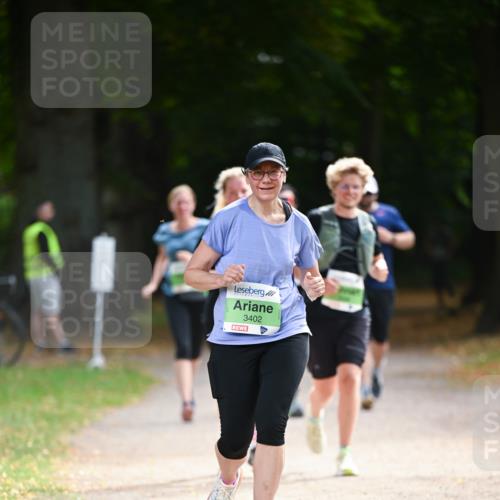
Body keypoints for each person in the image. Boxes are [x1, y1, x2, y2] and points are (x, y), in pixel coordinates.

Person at [185, 142, 325, 500]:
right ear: (247, 177)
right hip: (234, 336)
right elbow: (192, 274)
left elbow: (311, 277)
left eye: (273, 171)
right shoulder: (227, 219)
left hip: (288, 329)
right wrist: (221, 278)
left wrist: (313, 284)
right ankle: (229, 479)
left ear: (284, 175)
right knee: (234, 437)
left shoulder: (300, 224)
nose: (266, 179)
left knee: (272, 426)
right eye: (258, 172)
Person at [305, 158, 388, 476]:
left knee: (352, 376)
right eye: (345, 185)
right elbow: (298, 261)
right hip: (322, 310)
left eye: (356, 186)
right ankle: (314, 414)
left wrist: (380, 269)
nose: (351, 191)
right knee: (325, 386)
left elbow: (378, 260)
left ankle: (345, 452)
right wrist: (318, 281)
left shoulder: (368, 223)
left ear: (363, 189)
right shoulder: (317, 218)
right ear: (334, 187)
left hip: (356, 309)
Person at [142, 185, 209, 422]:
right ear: (172, 205)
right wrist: (152, 284)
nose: (182, 206)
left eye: (186, 202)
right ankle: (187, 399)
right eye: (178, 202)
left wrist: (190, 259)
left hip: (200, 294)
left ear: (193, 204)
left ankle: (188, 389)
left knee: (195, 349)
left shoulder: (204, 227)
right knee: (182, 345)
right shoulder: (165, 231)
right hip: (175, 294)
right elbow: (161, 258)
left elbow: (212, 259)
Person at [359, 177, 415, 409]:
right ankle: (364, 388)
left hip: (383, 285)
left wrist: (390, 237)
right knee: (361, 335)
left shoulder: (388, 213)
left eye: (370, 193)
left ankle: (377, 372)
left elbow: (409, 239)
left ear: (376, 194)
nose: (366, 197)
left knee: (380, 338)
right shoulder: (347, 214)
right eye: (364, 193)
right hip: (355, 285)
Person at [22, 201, 73, 351]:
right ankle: (62, 343)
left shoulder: (29, 230)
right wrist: (56, 268)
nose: (52, 212)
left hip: (32, 275)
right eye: (49, 209)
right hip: (46, 276)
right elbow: (45, 253)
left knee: (37, 311)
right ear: (40, 212)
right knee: (52, 310)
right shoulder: (42, 230)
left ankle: (40, 343)